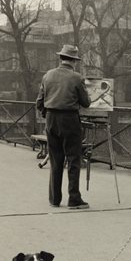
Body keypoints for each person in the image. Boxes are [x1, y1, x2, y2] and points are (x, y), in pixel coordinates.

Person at [36, 45, 91, 209]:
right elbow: (86, 103)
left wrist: (48, 114)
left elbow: (39, 102)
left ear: (61, 58)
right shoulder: (76, 77)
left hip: (51, 120)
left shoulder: (48, 75)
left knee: (55, 159)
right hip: (70, 120)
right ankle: (74, 198)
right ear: (74, 61)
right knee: (73, 159)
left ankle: (54, 199)